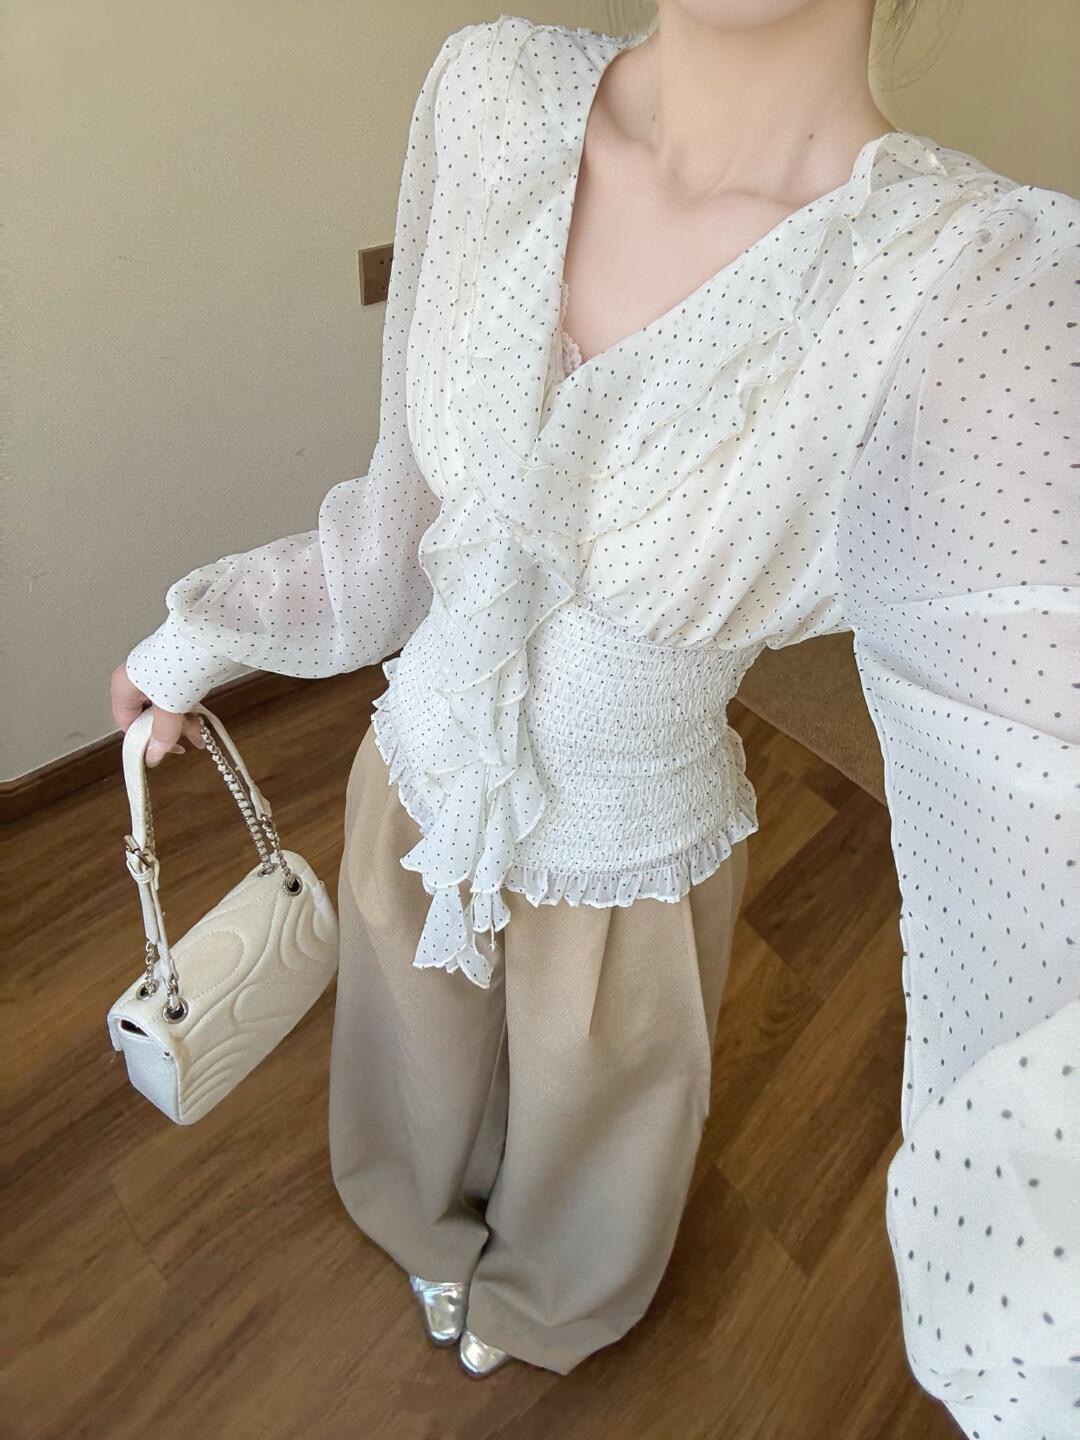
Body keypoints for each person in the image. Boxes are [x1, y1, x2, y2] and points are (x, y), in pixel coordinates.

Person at [110, 3, 1079, 1430]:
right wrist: (199, 638)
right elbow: (395, 530)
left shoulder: (969, 288)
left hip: (632, 857)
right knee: (407, 1074)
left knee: (597, 1136)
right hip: (413, 789)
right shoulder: (490, 95)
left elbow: (1033, 838)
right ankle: (418, 1224)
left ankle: (548, 1302)